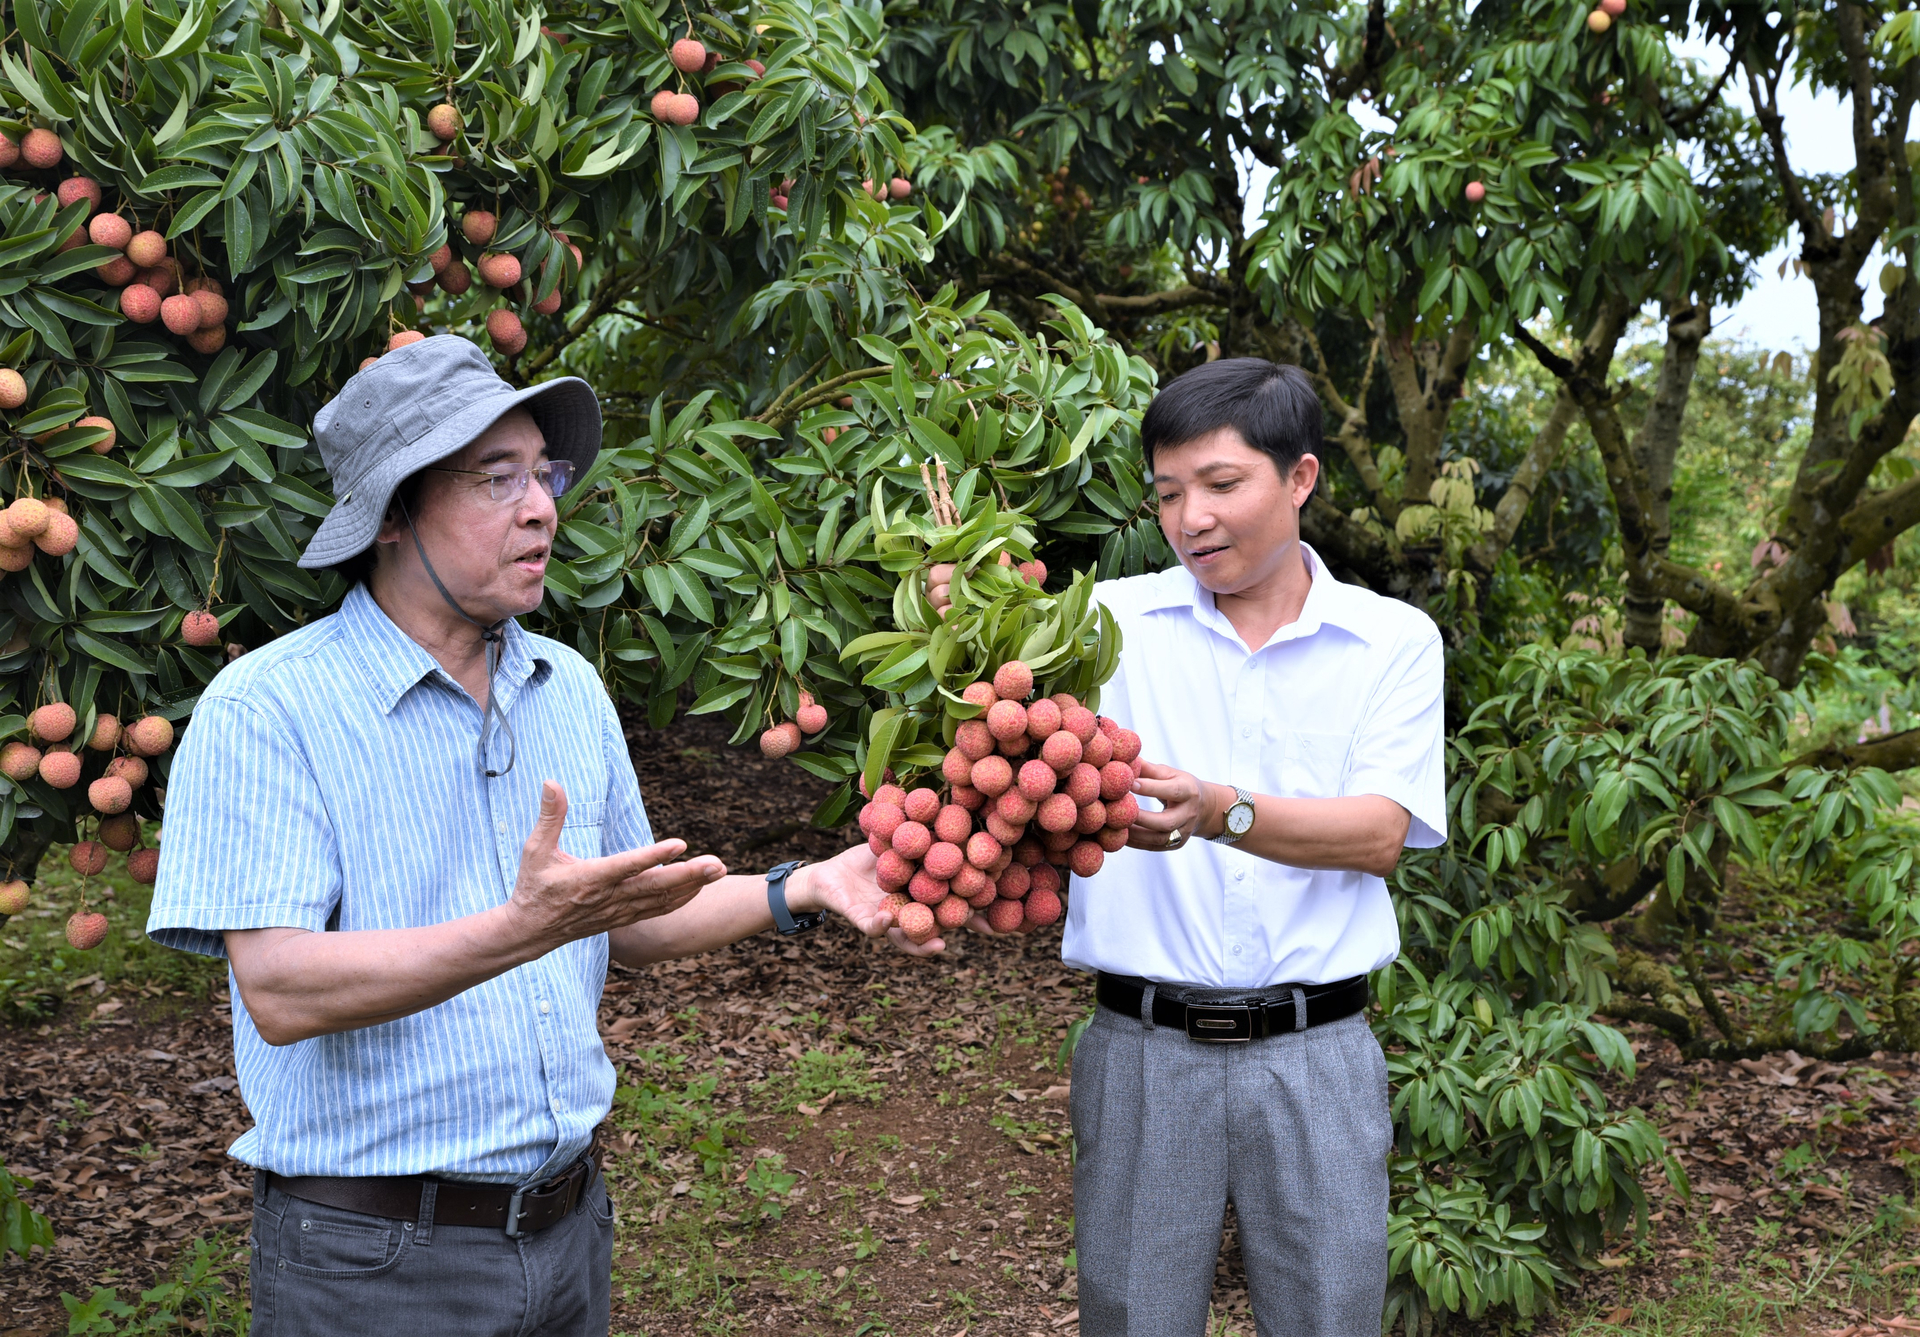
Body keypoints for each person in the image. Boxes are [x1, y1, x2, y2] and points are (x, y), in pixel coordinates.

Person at [146, 336, 935, 1337]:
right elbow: (282, 987)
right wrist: (524, 927)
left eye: (545, 473)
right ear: (392, 512)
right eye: (496, 478)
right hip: (371, 1259)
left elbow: (628, 919)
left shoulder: (564, 682)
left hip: (566, 1231)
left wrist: (803, 885)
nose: (542, 505)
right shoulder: (269, 707)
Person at [930, 357, 1445, 1336]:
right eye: (1167, 494)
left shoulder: (1392, 641)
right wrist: (965, 616)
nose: (1190, 518)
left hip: (1317, 1052)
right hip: (1144, 1051)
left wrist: (1220, 809)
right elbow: (995, 720)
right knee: (1132, 1319)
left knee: (1332, 1317)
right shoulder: (1102, 626)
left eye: (1219, 485)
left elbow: (1381, 833)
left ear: (1299, 477)